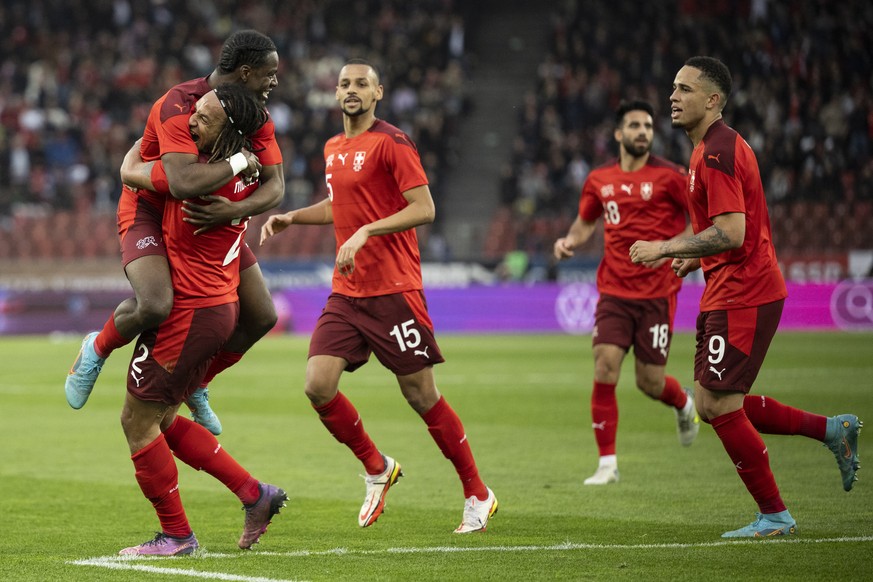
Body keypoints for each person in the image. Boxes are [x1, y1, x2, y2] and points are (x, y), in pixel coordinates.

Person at [259, 59, 497, 533]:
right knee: (317, 385)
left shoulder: (393, 143)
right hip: (348, 292)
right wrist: (293, 218)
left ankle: (477, 493)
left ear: (378, 93)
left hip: (394, 290)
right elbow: (339, 206)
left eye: (361, 84)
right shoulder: (333, 146)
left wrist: (367, 231)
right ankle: (376, 467)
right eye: (344, 83)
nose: (351, 90)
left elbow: (424, 208)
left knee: (421, 395)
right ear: (336, 94)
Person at [629, 56, 862, 537]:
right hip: (728, 288)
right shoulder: (707, 149)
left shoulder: (715, 153)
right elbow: (737, 225)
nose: (672, 96)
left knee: (716, 405)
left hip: (745, 292)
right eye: (672, 87)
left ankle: (775, 514)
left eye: (685, 89)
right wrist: (696, 258)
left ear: (713, 100)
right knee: (716, 401)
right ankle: (831, 432)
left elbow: (732, 233)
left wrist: (666, 246)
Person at [65, 30, 285, 435]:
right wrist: (239, 162)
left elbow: (276, 185)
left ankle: (197, 385)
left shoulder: (255, 115)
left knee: (261, 316)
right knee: (154, 305)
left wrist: (234, 208)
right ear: (245, 71)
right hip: (150, 207)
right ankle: (95, 349)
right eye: (269, 74)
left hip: (208, 215)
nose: (274, 82)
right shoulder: (180, 104)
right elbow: (182, 182)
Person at [114, 84, 287, 556]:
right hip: (213, 308)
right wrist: (241, 161)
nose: (190, 123)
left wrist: (141, 146)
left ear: (228, 130)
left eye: (204, 119)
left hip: (188, 314)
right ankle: (255, 494)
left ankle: (177, 536)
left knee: (138, 421)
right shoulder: (239, 179)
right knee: (163, 417)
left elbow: (135, 171)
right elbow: (269, 179)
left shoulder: (201, 184)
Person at [553, 100, 698, 486]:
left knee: (650, 382)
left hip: (657, 294)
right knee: (604, 366)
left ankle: (683, 402)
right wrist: (569, 242)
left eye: (648, 126)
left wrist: (669, 249)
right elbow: (585, 223)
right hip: (614, 291)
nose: (642, 132)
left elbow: (700, 223)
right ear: (618, 134)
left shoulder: (671, 176)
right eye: (634, 125)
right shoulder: (599, 180)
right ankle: (607, 464)